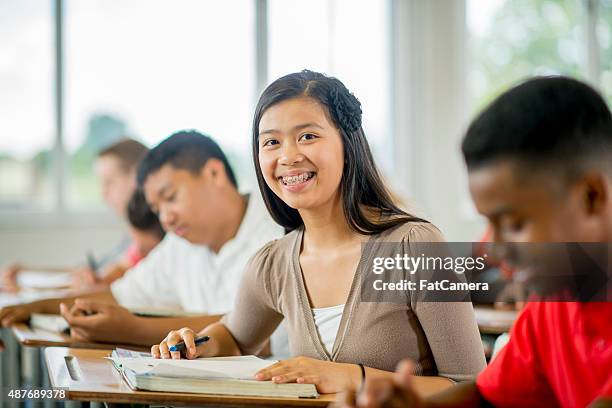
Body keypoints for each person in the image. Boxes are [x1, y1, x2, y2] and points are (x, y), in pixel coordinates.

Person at [152, 70, 486, 395]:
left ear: (347, 143)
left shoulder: (413, 247)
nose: (288, 156)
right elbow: (235, 336)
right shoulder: (274, 262)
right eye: (271, 142)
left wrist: (352, 377)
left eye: (307, 136)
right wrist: (194, 344)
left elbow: (469, 388)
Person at [337, 76, 612, 407]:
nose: (493, 249)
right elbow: (488, 397)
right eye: (488, 222)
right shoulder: (553, 305)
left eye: (514, 223)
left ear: (593, 197)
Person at [0, 131, 285, 348]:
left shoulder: (278, 228)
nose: (165, 218)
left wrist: (132, 328)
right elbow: (118, 294)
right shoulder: (180, 244)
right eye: (157, 209)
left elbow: (255, 335)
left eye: (170, 198)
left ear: (213, 173)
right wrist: (34, 306)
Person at [2, 138, 150, 290]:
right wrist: (27, 273)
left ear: (138, 177)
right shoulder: (130, 238)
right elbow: (90, 272)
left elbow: (102, 283)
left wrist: (27, 286)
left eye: (109, 182)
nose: (103, 194)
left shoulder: (149, 237)